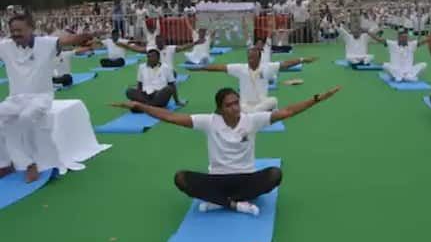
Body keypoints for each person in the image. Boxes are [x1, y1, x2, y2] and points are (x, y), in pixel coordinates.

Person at [112, 85, 341, 215]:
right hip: (218, 179)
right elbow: (171, 116)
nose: (235, 108)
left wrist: (318, 98)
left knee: (274, 174)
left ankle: (219, 202)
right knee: (181, 178)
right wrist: (141, 106)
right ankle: (233, 204)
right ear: (220, 109)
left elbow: (288, 111)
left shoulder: (251, 120)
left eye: (236, 103)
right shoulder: (209, 121)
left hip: (246, 179)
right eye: (229, 105)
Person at [0, 15, 92, 182]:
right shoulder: (5, 46)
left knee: (26, 117)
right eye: (12, 31)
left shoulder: (46, 43)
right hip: (14, 98)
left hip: (40, 97)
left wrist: (86, 35)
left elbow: (67, 40)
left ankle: (31, 164)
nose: (15, 34)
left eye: (19, 30)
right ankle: (4, 164)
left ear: (31, 29)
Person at [191, 48, 316, 112]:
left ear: (259, 59)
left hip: (262, 102)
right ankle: (258, 114)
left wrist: (302, 59)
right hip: (245, 104)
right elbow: (220, 67)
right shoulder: (240, 68)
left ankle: (256, 113)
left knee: (273, 100)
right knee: (241, 108)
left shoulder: (268, 67)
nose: (250, 60)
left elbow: (286, 63)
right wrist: (201, 68)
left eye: (252, 58)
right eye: (249, 58)